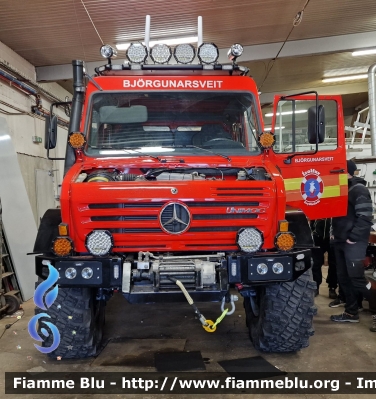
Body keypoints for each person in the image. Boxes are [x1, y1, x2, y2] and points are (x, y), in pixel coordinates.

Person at [330, 159, 375, 331]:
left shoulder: (359, 190)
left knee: (357, 279)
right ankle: (351, 313)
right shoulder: (343, 190)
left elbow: (365, 217)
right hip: (341, 241)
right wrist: (335, 233)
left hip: (353, 242)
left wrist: (353, 237)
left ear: (345, 171)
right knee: (344, 279)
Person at [310, 218, 338, 298]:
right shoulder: (318, 205)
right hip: (318, 238)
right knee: (316, 263)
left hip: (332, 237)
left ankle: (332, 287)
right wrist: (313, 231)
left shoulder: (335, 206)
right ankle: (316, 286)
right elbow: (312, 218)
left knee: (333, 264)